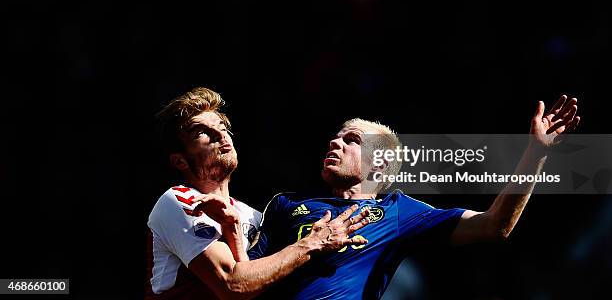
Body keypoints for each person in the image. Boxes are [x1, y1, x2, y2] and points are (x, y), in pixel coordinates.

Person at [239, 95, 580, 299]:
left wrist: (535, 153)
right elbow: (244, 279)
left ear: (381, 162)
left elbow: (494, 225)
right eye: (336, 138)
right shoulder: (286, 204)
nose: (335, 143)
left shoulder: (397, 212)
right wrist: (306, 246)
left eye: (352, 140)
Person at [145, 87, 371, 300]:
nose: (220, 135)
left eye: (223, 128)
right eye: (202, 132)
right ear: (179, 160)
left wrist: (232, 229)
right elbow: (233, 285)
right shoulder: (178, 201)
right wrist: (311, 243)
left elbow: (253, 286)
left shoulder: (254, 216)